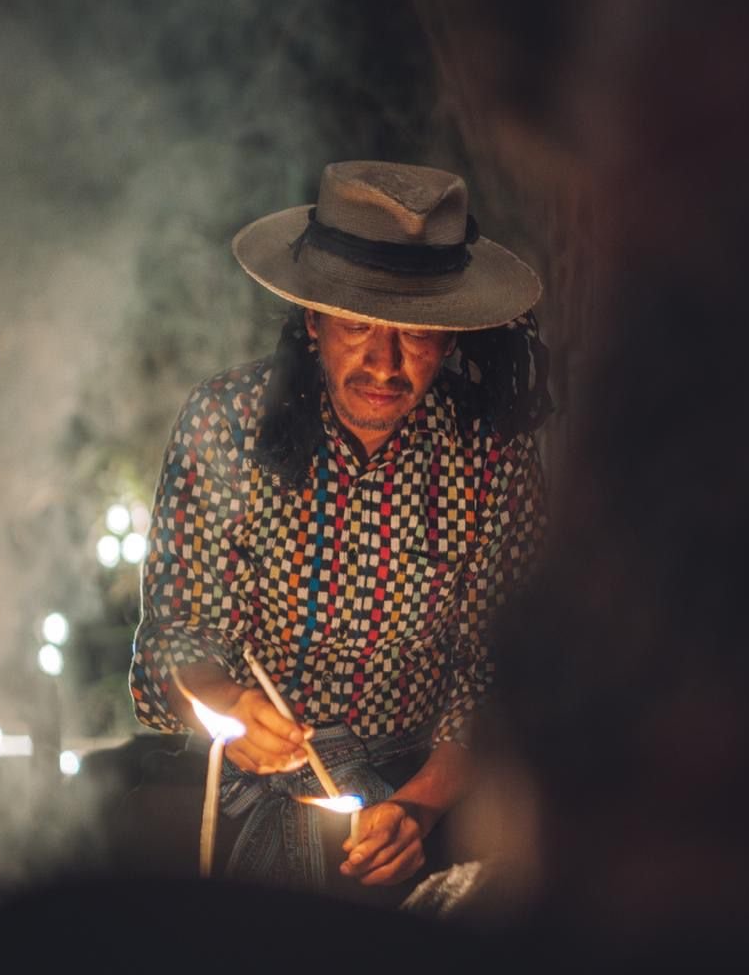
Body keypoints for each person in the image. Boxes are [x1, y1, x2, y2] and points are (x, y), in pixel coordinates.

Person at [129, 159, 551, 900]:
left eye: (415, 333)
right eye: (357, 324)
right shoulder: (225, 424)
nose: (383, 363)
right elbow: (176, 635)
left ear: (450, 339)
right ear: (313, 320)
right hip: (244, 794)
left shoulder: (491, 454)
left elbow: (497, 676)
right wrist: (228, 706)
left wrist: (416, 811)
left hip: (423, 793)